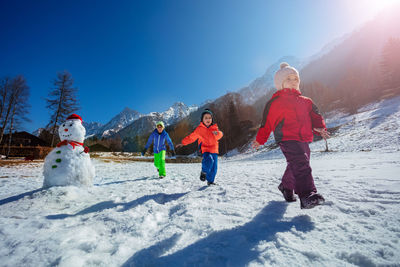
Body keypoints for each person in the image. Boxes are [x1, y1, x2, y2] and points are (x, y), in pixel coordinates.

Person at [252, 62, 330, 209]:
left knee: (297, 163)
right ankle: (307, 195)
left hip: (303, 138)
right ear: (280, 83)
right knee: (301, 163)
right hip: (286, 138)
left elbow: (315, 115)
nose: (293, 82)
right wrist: (260, 140)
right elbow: (266, 123)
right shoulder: (275, 103)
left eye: (296, 79)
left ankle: (286, 187)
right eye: (289, 79)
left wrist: (319, 128)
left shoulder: (306, 101)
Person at [176, 109, 223, 186]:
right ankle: (204, 172)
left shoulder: (214, 128)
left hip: (214, 149)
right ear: (202, 120)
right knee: (209, 160)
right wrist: (183, 143)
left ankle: (210, 181)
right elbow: (191, 137)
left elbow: (219, 135)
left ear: (212, 119)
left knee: (214, 168)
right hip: (205, 149)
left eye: (209, 118)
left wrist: (218, 133)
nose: (208, 119)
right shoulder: (199, 129)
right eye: (206, 118)